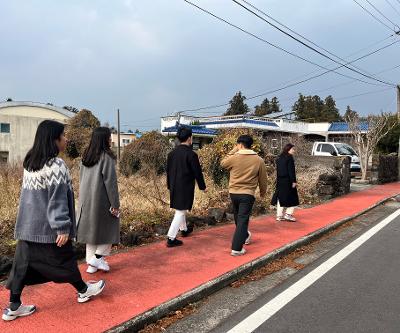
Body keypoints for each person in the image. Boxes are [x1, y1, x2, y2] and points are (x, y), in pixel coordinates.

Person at [3, 120, 105, 322]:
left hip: (27, 227)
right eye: (63, 136)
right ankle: (83, 290)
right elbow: (56, 199)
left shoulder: (30, 162)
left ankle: (14, 306)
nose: (66, 139)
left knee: (21, 267)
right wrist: (62, 227)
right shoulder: (56, 165)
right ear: (54, 139)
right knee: (64, 260)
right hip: (48, 229)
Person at [76, 127, 120, 273]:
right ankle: (96, 258)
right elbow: (111, 183)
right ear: (104, 139)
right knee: (110, 229)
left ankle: (92, 265)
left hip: (85, 200)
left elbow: (81, 179)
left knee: (91, 233)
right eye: (109, 137)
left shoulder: (85, 156)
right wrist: (115, 204)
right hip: (101, 200)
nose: (111, 140)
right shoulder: (106, 157)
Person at [221, 135, 267, 256]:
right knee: (242, 219)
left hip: (233, 193)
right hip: (247, 194)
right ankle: (236, 248)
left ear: (240, 145)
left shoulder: (234, 157)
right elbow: (263, 179)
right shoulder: (259, 160)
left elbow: (223, 164)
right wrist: (263, 192)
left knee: (238, 218)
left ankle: (244, 236)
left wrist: (233, 151)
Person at [166, 126, 206, 247]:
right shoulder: (191, 154)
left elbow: (168, 171)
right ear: (190, 138)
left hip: (173, 185)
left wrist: (169, 185)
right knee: (181, 211)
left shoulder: (171, 154)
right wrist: (202, 186)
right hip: (185, 186)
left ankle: (184, 230)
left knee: (180, 208)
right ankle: (171, 238)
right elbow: (197, 172)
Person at [271, 143, 299, 222]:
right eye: (292, 149)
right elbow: (291, 171)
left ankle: (279, 216)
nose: (294, 151)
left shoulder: (279, 158)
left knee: (281, 198)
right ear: (288, 149)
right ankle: (288, 214)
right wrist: (293, 181)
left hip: (280, 180)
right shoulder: (289, 158)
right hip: (288, 181)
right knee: (293, 198)